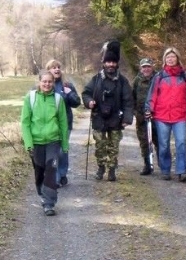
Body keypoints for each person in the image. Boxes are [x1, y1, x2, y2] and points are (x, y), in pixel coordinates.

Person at [82, 40, 134, 182]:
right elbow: (86, 93)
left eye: (113, 62)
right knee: (100, 146)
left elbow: (128, 101)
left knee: (113, 147)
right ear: (103, 63)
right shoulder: (96, 79)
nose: (111, 65)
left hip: (116, 119)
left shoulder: (123, 81)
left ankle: (111, 170)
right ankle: (101, 168)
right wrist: (89, 102)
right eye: (108, 62)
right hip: (99, 118)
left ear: (117, 63)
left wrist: (127, 119)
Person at [145, 47, 186, 182]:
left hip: (180, 115)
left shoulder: (185, 76)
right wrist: (148, 109)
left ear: (177, 59)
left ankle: (182, 171)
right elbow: (152, 95)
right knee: (163, 144)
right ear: (164, 60)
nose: (170, 59)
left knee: (181, 143)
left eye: (173, 57)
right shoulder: (159, 76)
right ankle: (165, 170)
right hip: (162, 115)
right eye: (168, 57)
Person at [21, 70, 69, 216]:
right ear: (39, 82)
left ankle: (49, 203)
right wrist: (28, 143)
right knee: (39, 171)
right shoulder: (30, 98)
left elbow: (63, 122)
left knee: (50, 169)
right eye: (44, 82)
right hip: (36, 142)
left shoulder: (58, 99)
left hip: (53, 141)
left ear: (53, 83)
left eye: (50, 82)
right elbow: (25, 122)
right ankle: (42, 195)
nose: (47, 84)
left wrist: (65, 144)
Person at [45, 59, 81, 187]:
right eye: (53, 67)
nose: (57, 69)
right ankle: (54, 178)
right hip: (49, 125)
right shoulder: (46, 85)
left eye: (58, 67)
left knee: (62, 150)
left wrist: (69, 93)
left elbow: (77, 103)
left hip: (65, 123)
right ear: (48, 70)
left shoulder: (67, 85)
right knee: (53, 151)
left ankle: (62, 174)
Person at [132, 58, 159, 175]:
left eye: (148, 66)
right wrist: (135, 112)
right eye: (144, 67)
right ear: (141, 68)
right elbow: (132, 97)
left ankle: (163, 164)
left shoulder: (158, 78)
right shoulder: (137, 80)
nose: (146, 69)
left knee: (159, 141)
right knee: (144, 142)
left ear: (152, 67)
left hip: (157, 117)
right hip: (141, 118)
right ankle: (147, 165)